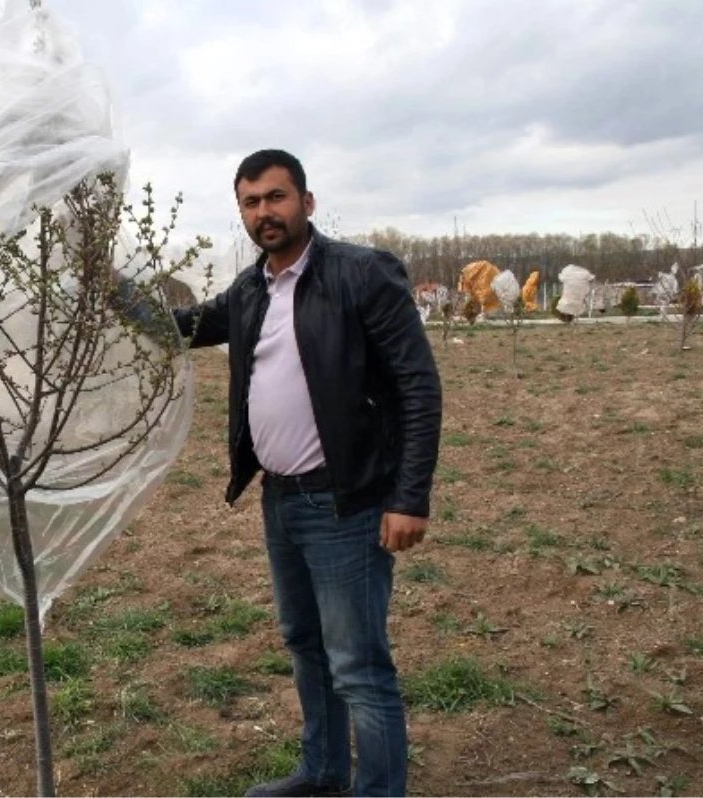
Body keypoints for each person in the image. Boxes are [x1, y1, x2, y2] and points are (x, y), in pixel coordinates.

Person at [173, 149, 442, 798]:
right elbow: (180, 327)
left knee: (357, 664)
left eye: (276, 197)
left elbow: (417, 385)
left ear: (306, 202)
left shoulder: (361, 274)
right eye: (251, 202)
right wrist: (109, 289)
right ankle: (322, 773)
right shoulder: (248, 292)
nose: (264, 212)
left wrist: (410, 497)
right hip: (282, 500)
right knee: (305, 643)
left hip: (346, 502)